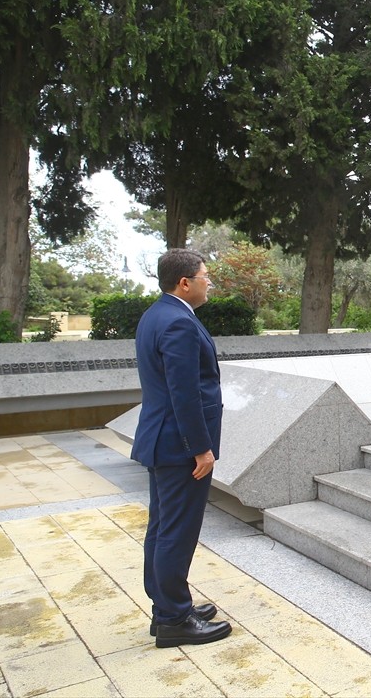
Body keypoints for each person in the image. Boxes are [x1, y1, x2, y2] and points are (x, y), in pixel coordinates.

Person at [131, 249, 232, 647]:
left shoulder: (157, 314)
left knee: (162, 527)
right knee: (176, 531)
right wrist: (201, 449)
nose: (210, 282)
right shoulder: (178, 323)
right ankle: (173, 618)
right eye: (205, 276)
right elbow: (184, 393)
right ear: (185, 282)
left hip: (164, 440)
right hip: (178, 446)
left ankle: (168, 606)